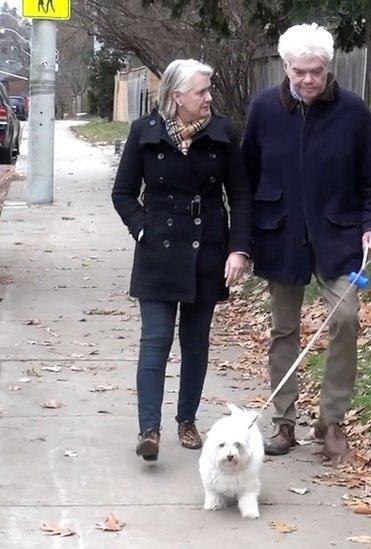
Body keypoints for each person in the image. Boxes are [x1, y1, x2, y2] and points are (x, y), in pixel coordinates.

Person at [242, 23, 371, 460]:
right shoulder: (265, 109)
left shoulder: (353, 112)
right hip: (281, 235)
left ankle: (331, 421)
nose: (308, 79)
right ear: (285, 67)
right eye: (300, 71)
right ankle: (284, 423)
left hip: (339, 237)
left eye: (317, 71)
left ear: (329, 68)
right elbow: (246, 177)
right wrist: (245, 238)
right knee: (283, 330)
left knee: (345, 318)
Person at [112, 59, 252, 461]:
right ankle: (149, 430)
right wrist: (143, 229)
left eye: (209, 91)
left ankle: (187, 420)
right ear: (177, 97)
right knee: (155, 342)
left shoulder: (223, 134)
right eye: (201, 92)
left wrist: (238, 249)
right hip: (158, 252)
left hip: (206, 248)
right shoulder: (144, 133)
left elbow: (240, 196)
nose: (209, 98)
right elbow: (123, 193)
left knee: (195, 343)